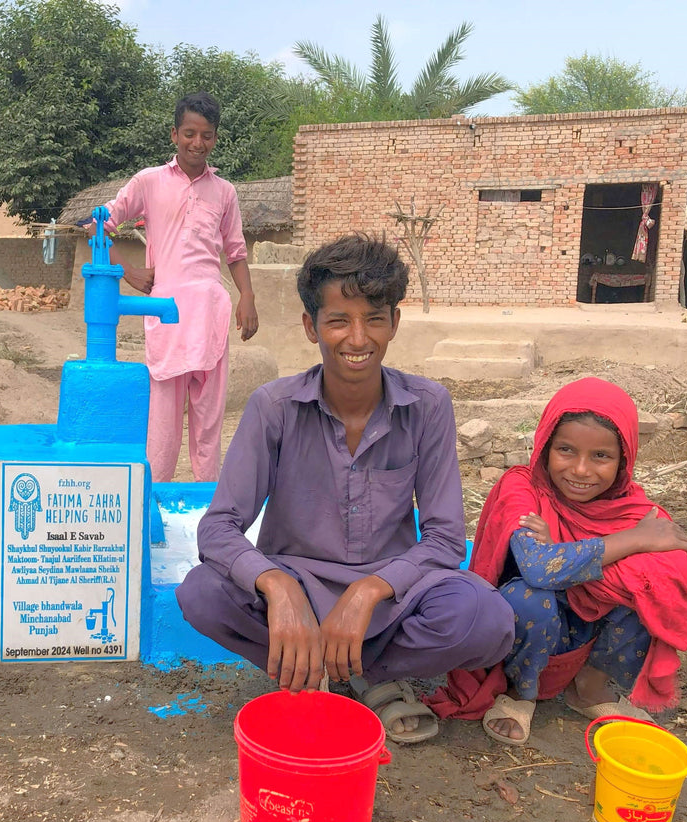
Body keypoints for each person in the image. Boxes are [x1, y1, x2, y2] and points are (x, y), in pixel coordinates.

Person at [176, 233, 515, 743]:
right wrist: (278, 585)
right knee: (202, 593)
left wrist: (369, 590)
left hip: (392, 598)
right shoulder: (274, 408)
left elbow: (445, 539)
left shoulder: (428, 406)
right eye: (338, 321)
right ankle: (343, 670)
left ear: (394, 322)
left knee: (486, 619)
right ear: (311, 326)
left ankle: (343, 673)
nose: (358, 339)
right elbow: (219, 528)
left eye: (373, 319)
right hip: (297, 587)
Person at [428, 377, 687, 745]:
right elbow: (538, 568)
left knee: (654, 585)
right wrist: (630, 542)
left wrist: (564, 553)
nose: (581, 470)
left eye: (601, 456)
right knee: (529, 596)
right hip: (530, 631)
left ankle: (589, 687)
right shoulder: (522, 489)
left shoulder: (634, 510)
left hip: (591, 634)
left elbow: (674, 572)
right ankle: (522, 691)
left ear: (624, 460)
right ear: (545, 446)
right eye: (566, 450)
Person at [100, 90, 258, 482]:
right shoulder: (149, 182)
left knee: (208, 424)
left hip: (210, 316)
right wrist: (129, 272)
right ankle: (154, 502)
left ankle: (209, 506)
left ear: (215, 138)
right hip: (165, 315)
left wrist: (247, 296)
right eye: (189, 133)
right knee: (163, 425)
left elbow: (236, 251)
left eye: (206, 135)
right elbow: (98, 226)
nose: (197, 143)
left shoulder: (225, 192)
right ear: (174, 134)